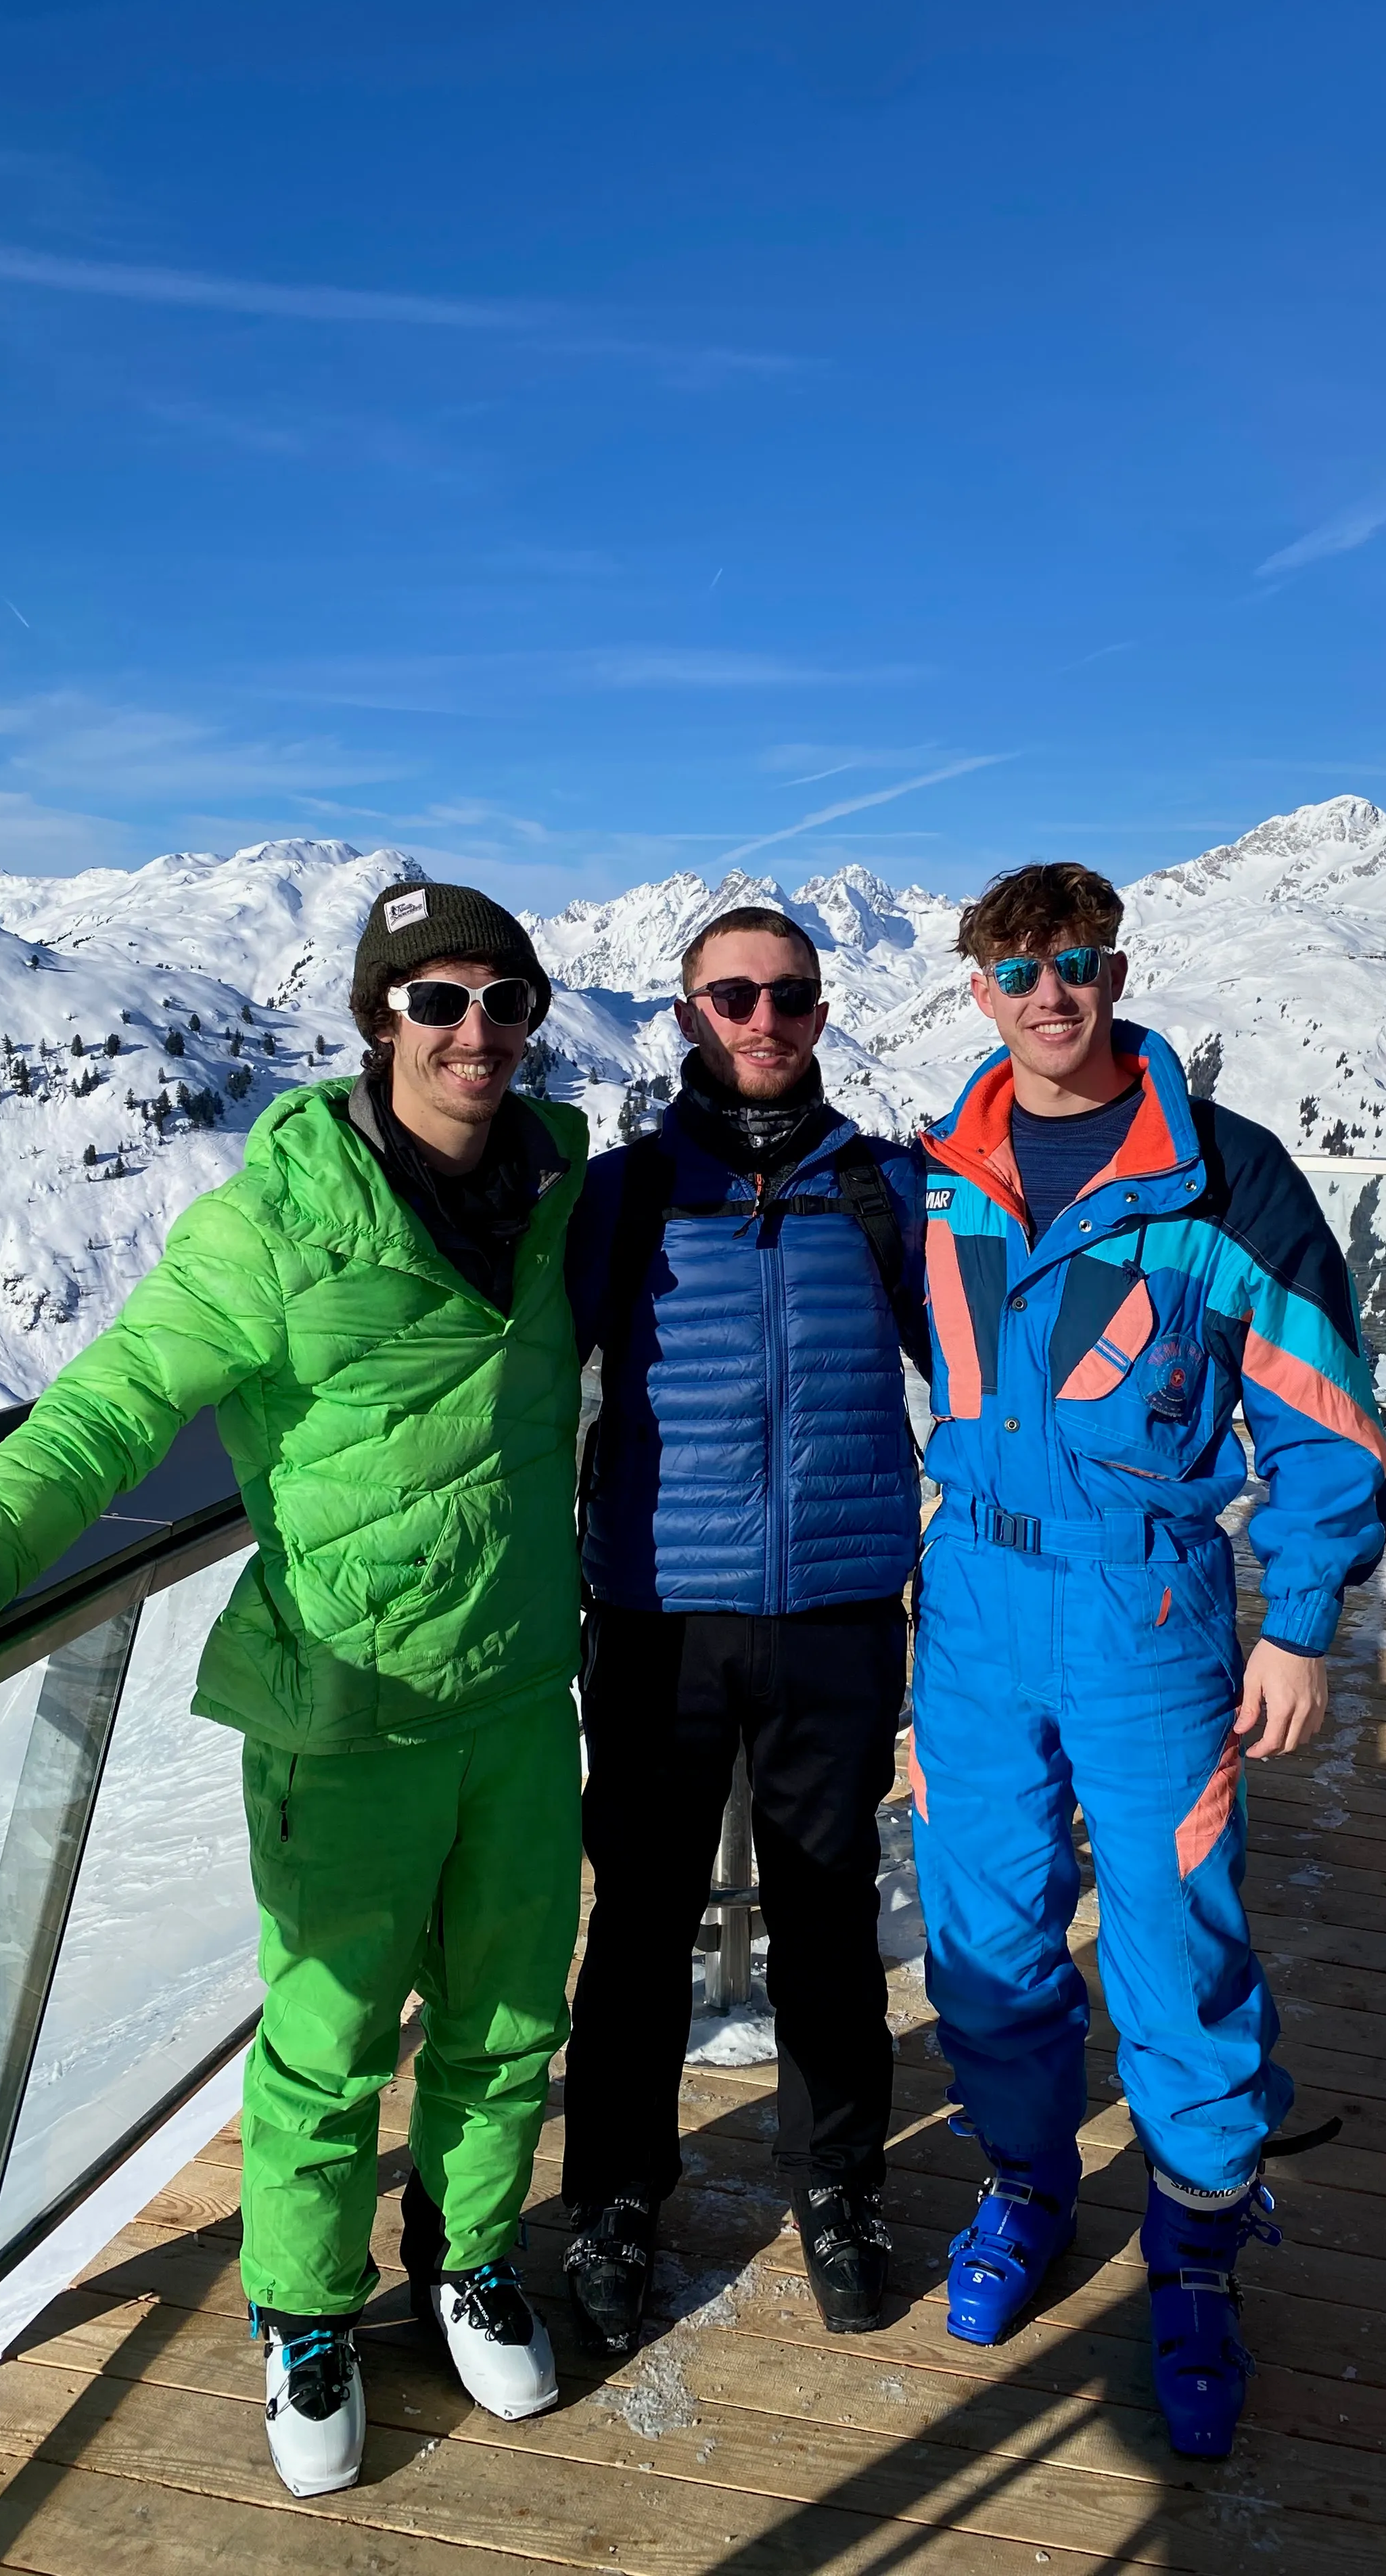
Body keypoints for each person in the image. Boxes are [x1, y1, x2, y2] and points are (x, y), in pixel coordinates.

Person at [0, 883, 588, 2501]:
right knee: (326, 2044)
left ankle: (468, 2259)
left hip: (525, 1695)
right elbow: (101, 1417)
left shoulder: (559, 1190)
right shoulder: (267, 1228)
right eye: (437, 1000)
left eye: (505, 1000)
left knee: (509, 2017)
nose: (477, 1031)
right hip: (347, 1713)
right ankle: (304, 2317)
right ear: (377, 1019)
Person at [910, 860, 1386, 2458]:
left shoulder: (1221, 1181)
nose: (1053, 994)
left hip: (1150, 1607)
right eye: (1021, 970)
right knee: (985, 1923)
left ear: (1117, 977)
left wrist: (1305, 1616)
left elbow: (1323, 1417)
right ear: (980, 990)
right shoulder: (938, 1176)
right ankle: (1029, 2183)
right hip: (972, 1596)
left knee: (1177, 1933)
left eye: (1081, 964)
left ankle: (1192, 2245)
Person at [555, 904, 925, 2351]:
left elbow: (989, 1369)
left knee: (830, 1916)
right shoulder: (620, 1197)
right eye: (734, 996)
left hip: (836, 1610)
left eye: (792, 998)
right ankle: (613, 2194)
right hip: (657, 1617)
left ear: (822, 1013)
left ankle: (838, 2183)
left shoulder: (887, 1192)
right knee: (640, 1924)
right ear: (687, 1013)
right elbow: (499, 1372)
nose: (765, 1022)